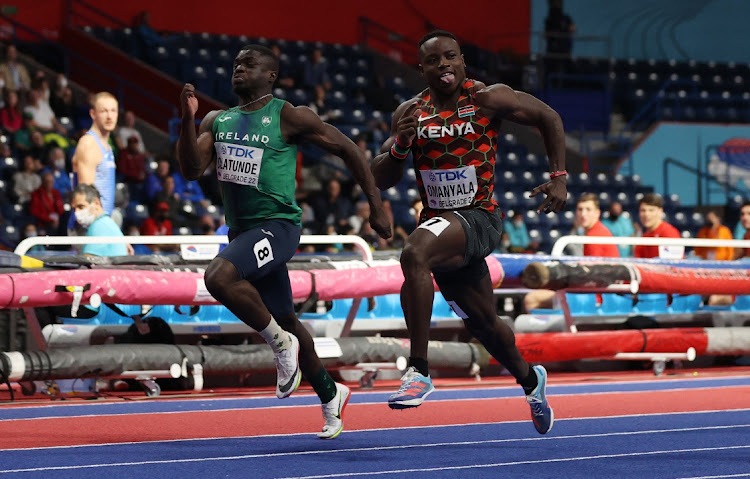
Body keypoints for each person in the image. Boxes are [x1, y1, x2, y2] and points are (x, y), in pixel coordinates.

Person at [177, 44, 391, 439]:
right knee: (287, 317)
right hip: (243, 231)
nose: (239, 68)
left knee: (219, 277)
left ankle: (279, 346)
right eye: (236, 62)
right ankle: (331, 394)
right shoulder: (217, 120)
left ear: (271, 76)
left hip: (278, 226)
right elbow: (191, 169)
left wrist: (376, 206)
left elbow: (348, 149)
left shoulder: (287, 116)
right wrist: (188, 122)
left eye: (249, 64)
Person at [370, 30, 565, 434]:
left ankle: (419, 370)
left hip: (479, 216)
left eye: (450, 57)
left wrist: (559, 176)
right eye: (433, 60)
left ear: (462, 61)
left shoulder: (486, 98)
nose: (443, 66)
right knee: (483, 324)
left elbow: (549, 117)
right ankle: (531, 380)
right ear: (421, 68)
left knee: (413, 254)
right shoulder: (410, 112)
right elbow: (381, 178)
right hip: (442, 226)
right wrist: (401, 145)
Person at [71, 92, 118, 215]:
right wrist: (103, 224)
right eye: (104, 111)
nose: (109, 116)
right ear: (93, 114)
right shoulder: (89, 144)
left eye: (113, 111)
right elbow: (86, 198)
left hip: (102, 219)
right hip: (90, 224)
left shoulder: (107, 146)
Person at [70, 184, 128, 257]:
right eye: (74, 209)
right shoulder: (105, 223)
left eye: (81, 207)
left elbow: (88, 260)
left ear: (96, 203)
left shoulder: (99, 227)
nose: (76, 212)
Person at [633, 193, 682, 259]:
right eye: (643, 210)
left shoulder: (669, 233)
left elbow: (674, 266)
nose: (646, 214)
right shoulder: (643, 239)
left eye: (651, 210)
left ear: (660, 211)